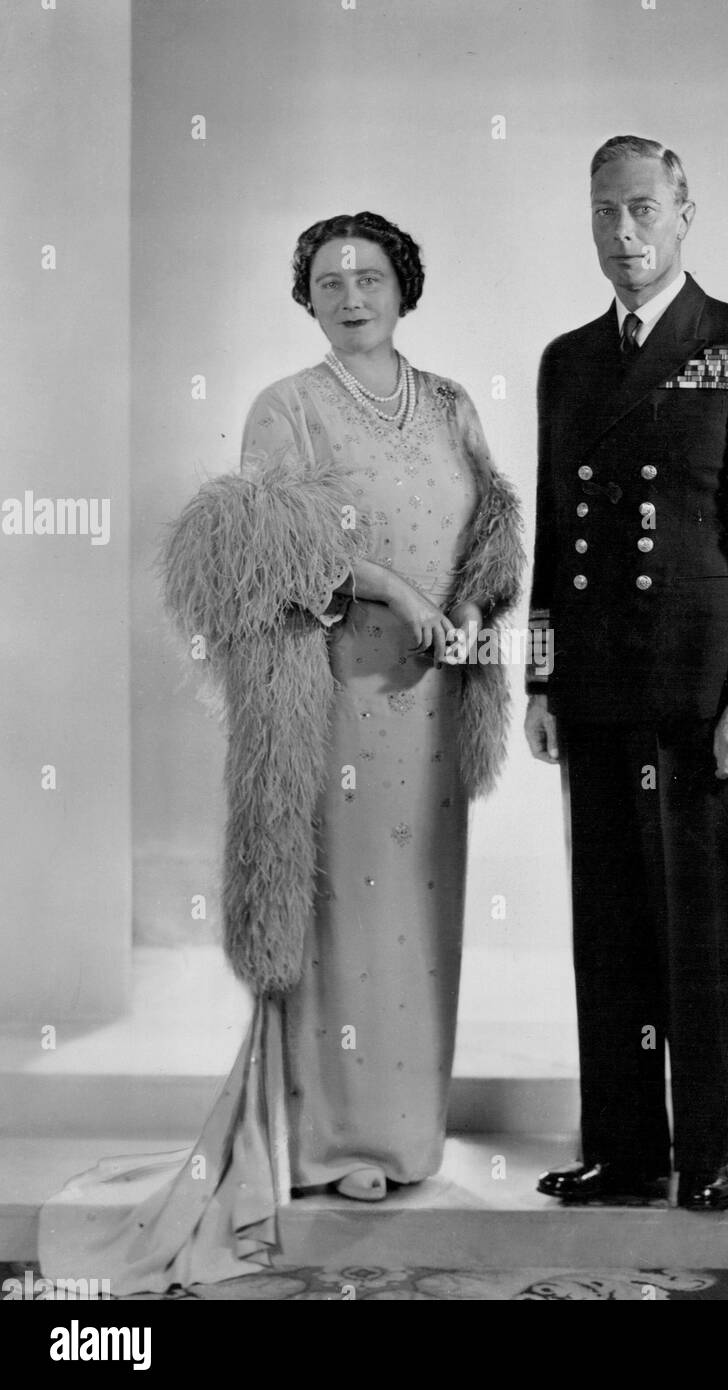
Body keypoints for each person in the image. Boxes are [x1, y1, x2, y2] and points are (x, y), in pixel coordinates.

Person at [38, 211, 522, 1294]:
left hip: (435, 698)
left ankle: (408, 1132)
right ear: (306, 298)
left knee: (420, 904)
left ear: (404, 286)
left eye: (370, 276)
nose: (351, 295)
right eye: (329, 281)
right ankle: (332, 1139)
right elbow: (270, 549)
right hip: (338, 694)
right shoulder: (286, 407)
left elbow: (488, 541)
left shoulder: (453, 403)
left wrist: (472, 611)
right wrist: (393, 592)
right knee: (343, 904)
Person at [524, 136, 728, 1211]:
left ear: (684, 214)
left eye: (643, 208)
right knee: (605, 926)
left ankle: (701, 1154)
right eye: (604, 211)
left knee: (697, 928)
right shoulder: (568, 360)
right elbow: (553, 533)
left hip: (702, 695)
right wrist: (540, 680)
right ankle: (622, 1152)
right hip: (596, 690)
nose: (623, 232)